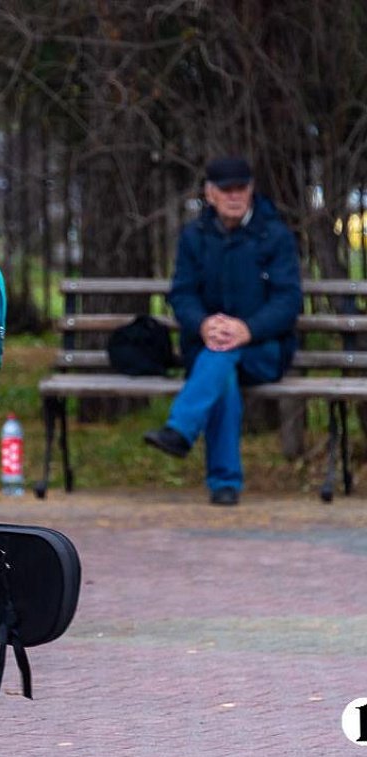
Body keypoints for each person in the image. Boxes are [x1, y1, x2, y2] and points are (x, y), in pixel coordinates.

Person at [143, 156, 302, 506]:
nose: (234, 196)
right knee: (222, 372)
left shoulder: (274, 235)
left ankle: (182, 430)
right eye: (226, 189)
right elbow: (182, 294)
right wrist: (203, 324)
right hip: (209, 349)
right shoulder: (194, 237)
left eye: (241, 188)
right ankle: (225, 484)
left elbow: (288, 301)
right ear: (210, 193)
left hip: (265, 350)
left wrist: (248, 328)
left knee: (221, 355)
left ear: (251, 189)